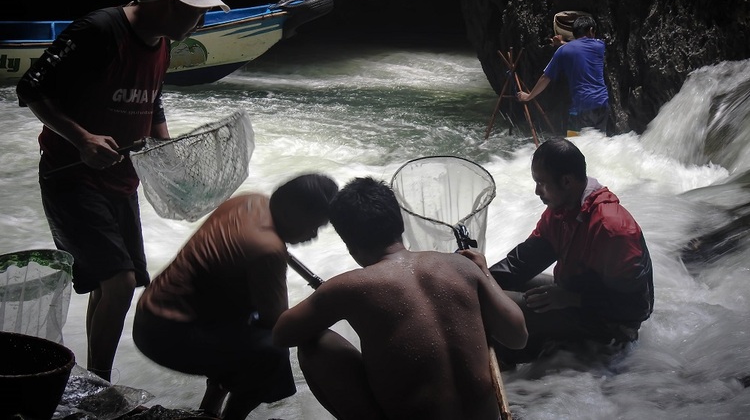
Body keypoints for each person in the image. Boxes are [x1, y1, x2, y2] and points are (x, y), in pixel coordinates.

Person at [15, 0, 229, 381]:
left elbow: (152, 96)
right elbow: (32, 87)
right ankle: (102, 384)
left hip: (121, 177)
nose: (201, 23)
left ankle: (95, 378)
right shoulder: (100, 30)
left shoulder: (163, 42)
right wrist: (82, 138)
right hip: (70, 173)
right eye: (198, 12)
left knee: (117, 285)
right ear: (168, 1)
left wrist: (164, 141)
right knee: (118, 280)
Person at [273, 177, 528, 420]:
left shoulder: (347, 287)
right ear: (401, 225)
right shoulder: (462, 267)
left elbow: (282, 334)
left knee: (315, 345)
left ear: (349, 244)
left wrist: (327, 300)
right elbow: (518, 337)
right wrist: (483, 272)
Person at [132, 173, 338, 420]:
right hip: (166, 336)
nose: (314, 235)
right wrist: (330, 306)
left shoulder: (250, 201)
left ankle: (209, 410)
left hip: (150, 313)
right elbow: (280, 323)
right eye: (313, 225)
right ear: (291, 213)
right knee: (273, 352)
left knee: (247, 321)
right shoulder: (267, 248)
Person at [485, 137, 653, 366]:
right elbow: (521, 264)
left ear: (567, 181)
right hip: (575, 297)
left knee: (493, 304)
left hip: (610, 326)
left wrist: (571, 298)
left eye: (541, 183)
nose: (536, 191)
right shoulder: (562, 212)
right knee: (489, 290)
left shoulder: (612, 228)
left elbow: (636, 307)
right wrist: (473, 278)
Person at [517, 14, 610, 135]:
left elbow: (545, 78)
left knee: (575, 143)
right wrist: (562, 42)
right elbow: (581, 48)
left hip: (580, 107)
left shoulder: (563, 51)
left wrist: (529, 96)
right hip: (602, 104)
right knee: (598, 143)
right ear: (592, 31)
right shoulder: (599, 46)